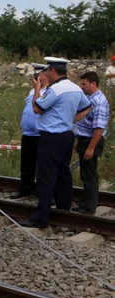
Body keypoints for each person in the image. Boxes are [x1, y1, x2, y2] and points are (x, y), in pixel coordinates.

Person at [19, 57, 92, 228]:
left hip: (51, 137)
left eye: (46, 72)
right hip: (67, 135)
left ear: (52, 71)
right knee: (63, 174)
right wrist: (70, 120)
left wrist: (37, 89)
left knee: (46, 176)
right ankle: (64, 210)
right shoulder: (74, 88)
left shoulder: (56, 90)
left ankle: (41, 217)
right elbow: (87, 107)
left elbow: (37, 108)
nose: (45, 75)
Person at [72, 71, 109, 215]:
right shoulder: (91, 99)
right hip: (85, 139)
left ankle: (89, 207)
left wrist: (91, 147)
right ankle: (85, 203)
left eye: (84, 84)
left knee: (89, 175)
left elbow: (99, 128)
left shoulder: (98, 102)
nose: (82, 87)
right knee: (85, 174)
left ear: (93, 83)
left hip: (91, 140)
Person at [10, 63, 49, 199]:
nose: (34, 78)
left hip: (40, 134)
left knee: (41, 165)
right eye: (34, 76)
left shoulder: (49, 91)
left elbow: (38, 107)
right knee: (26, 163)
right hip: (28, 133)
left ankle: (40, 190)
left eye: (37, 76)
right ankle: (25, 188)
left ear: (45, 76)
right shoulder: (32, 90)